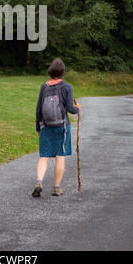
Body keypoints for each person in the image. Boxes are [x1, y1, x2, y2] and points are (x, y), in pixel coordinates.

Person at [32, 58, 82, 197]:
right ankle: (56, 187)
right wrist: (77, 108)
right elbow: (70, 109)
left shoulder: (44, 86)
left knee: (44, 157)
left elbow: (38, 109)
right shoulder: (67, 87)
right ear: (63, 72)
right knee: (60, 156)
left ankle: (39, 182)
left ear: (50, 70)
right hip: (62, 127)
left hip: (46, 127)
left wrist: (38, 126)